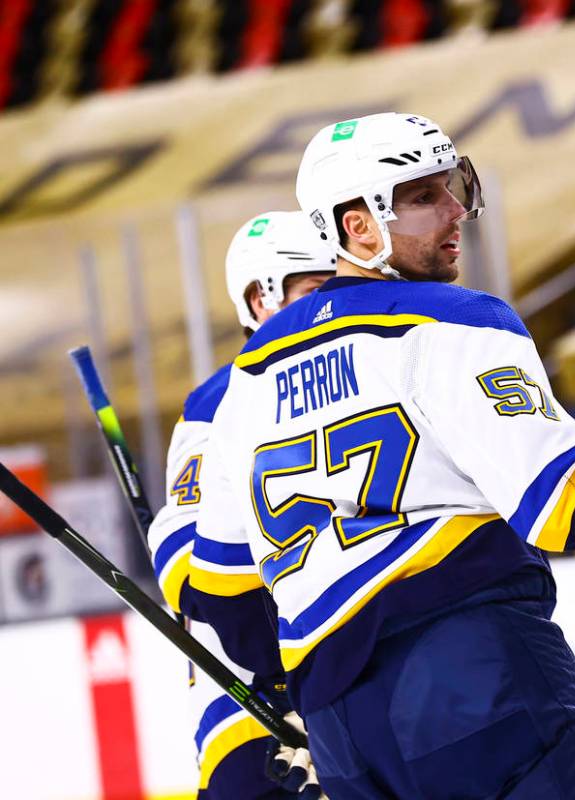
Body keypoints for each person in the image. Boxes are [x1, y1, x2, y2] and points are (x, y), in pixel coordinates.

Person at [186, 112, 575, 799]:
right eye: (421, 197)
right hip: (473, 678)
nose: (453, 212)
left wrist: (312, 687)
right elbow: (569, 500)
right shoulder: (448, 318)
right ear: (356, 225)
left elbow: (224, 596)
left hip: (343, 733)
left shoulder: (241, 387)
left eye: (450, 187)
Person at [148, 211, 335, 800]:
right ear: (261, 299)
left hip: (344, 662)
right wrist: (283, 671)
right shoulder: (217, 403)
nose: (338, 304)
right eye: (316, 290)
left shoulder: (364, 364)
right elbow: (182, 557)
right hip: (249, 684)